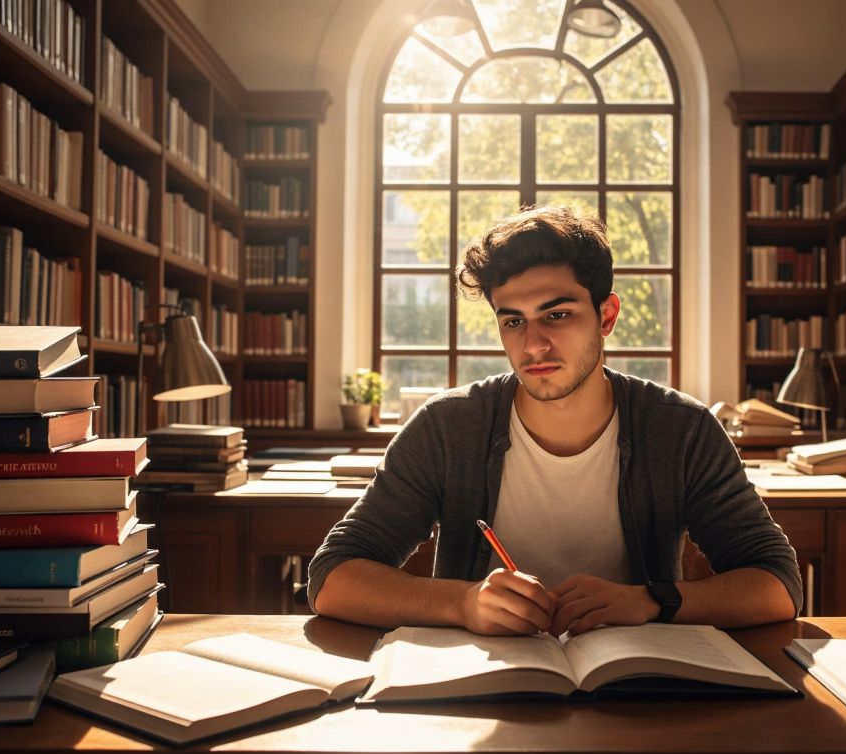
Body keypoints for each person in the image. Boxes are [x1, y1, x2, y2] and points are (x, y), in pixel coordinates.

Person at [309, 205, 801, 636]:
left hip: (637, 692)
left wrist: (651, 601)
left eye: (557, 315)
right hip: (475, 695)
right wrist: (461, 604)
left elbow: (777, 585)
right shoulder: (446, 428)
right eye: (514, 321)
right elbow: (332, 578)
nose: (533, 345)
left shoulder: (681, 430)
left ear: (606, 316)